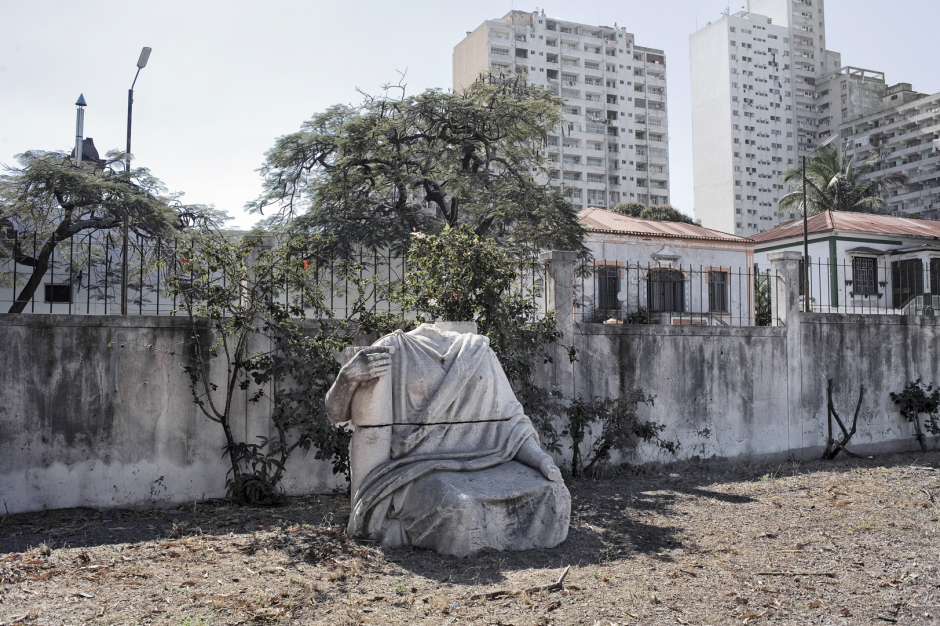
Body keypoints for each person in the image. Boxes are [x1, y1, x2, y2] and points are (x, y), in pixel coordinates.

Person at [325, 324, 569, 555]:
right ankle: (407, 533)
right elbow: (336, 414)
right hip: (416, 466)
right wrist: (347, 377)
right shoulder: (393, 349)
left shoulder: (479, 352)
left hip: (489, 459)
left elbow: (513, 424)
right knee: (462, 508)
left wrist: (541, 459)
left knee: (554, 493)